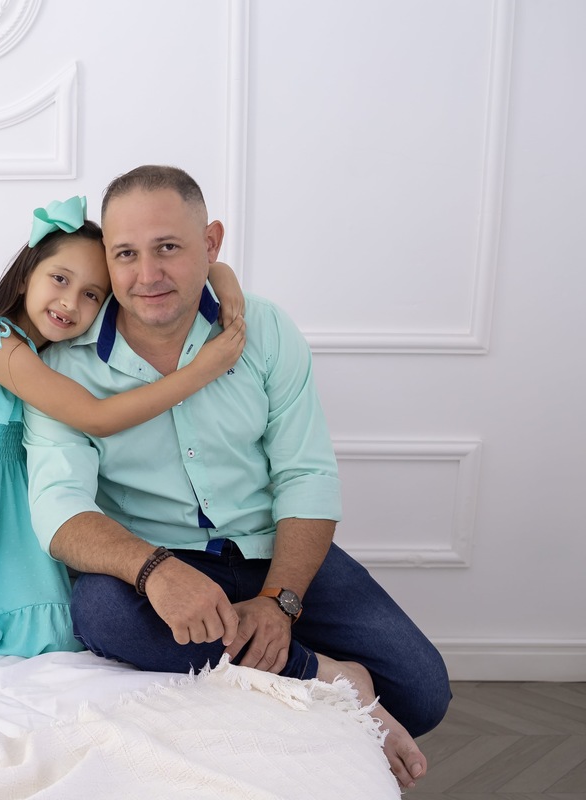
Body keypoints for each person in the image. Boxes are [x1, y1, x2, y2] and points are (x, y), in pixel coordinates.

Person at [23, 166, 450, 790]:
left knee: (422, 691)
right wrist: (156, 571)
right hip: (160, 564)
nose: (148, 275)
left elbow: (307, 475)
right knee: (102, 613)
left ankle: (274, 659)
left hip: (270, 550)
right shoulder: (62, 364)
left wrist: (280, 603)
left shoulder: (265, 329)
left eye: (168, 247)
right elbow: (57, 508)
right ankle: (321, 676)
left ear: (211, 244)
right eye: (126, 255)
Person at [0, 196, 246, 682]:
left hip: (8, 516)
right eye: (60, 280)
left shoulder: (53, 358)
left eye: (92, 294)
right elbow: (95, 416)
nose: (70, 303)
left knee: (49, 640)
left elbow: (164, 278)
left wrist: (223, 275)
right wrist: (201, 371)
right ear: (26, 274)